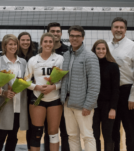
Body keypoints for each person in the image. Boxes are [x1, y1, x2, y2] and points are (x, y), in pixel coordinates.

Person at [60, 25, 100, 151]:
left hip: (83, 105)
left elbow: (94, 84)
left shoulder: (90, 56)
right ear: (69, 37)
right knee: (72, 136)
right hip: (67, 103)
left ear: (82, 38)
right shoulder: (66, 55)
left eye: (77, 36)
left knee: (87, 136)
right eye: (72, 35)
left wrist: (88, 105)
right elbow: (64, 79)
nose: (74, 38)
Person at [25, 33, 64, 151]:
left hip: (54, 99)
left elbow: (64, 81)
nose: (48, 44)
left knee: (53, 133)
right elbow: (25, 81)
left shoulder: (59, 59)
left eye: (50, 42)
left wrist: (53, 87)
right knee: (36, 133)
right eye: (45, 41)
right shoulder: (33, 60)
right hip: (37, 98)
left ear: (54, 44)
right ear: (41, 43)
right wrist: (36, 87)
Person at [0, 34, 28, 151]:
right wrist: (3, 92)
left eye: (15, 44)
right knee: (0, 135)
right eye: (10, 44)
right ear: (5, 46)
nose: (13, 46)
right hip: (3, 104)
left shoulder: (23, 62)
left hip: (19, 104)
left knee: (13, 136)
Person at [108, 17, 134, 151]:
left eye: (121, 27)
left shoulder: (132, 46)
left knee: (130, 129)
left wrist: (133, 96)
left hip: (127, 91)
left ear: (125, 30)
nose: (118, 30)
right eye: (116, 27)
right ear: (111, 29)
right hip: (111, 93)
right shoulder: (106, 46)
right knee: (113, 129)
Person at [44, 22, 69, 151]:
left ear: (61, 33)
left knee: (66, 131)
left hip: (64, 98)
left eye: (58, 31)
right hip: (48, 98)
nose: (55, 34)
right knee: (49, 131)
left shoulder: (68, 51)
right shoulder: (42, 52)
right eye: (52, 31)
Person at [91, 39, 120, 151]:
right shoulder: (91, 65)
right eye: (98, 48)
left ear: (107, 50)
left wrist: (113, 108)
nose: (101, 51)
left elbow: (116, 89)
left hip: (108, 106)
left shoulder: (113, 66)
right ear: (94, 50)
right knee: (95, 135)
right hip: (93, 105)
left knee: (108, 135)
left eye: (103, 49)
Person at [17, 32, 37, 151]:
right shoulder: (14, 55)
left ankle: (31, 147)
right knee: (14, 125)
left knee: (31, 125)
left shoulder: (35, 56)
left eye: (28, 40)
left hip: (31, 93)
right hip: (16, 93)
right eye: (23, 40)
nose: (25, 42)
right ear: (19, 41)